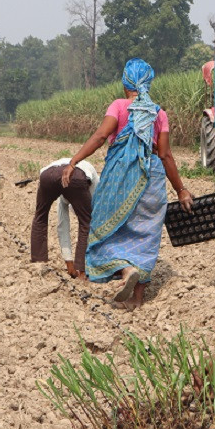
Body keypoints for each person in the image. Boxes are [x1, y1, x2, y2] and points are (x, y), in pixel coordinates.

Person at [62, 58, 193, 310]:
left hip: (120, 177)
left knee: (106, 228)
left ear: (126, 85)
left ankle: (125, 270)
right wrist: (181, 189)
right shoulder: (159, 113)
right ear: (148, 84)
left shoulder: (119, 106)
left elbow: (101, 136)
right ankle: (137, 299)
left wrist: (74, 161)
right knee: (146, 235)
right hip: (151, 178)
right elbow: (165, 154)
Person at [30, 157, 99, 279]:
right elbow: (95, 215)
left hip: (47, 175)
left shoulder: (65, 195)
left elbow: (63, 225)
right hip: (75, 176)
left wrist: (69, 263)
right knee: (86, 222)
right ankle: (82, 271)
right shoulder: (95, 188)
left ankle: (38, 263)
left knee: (40, 217)